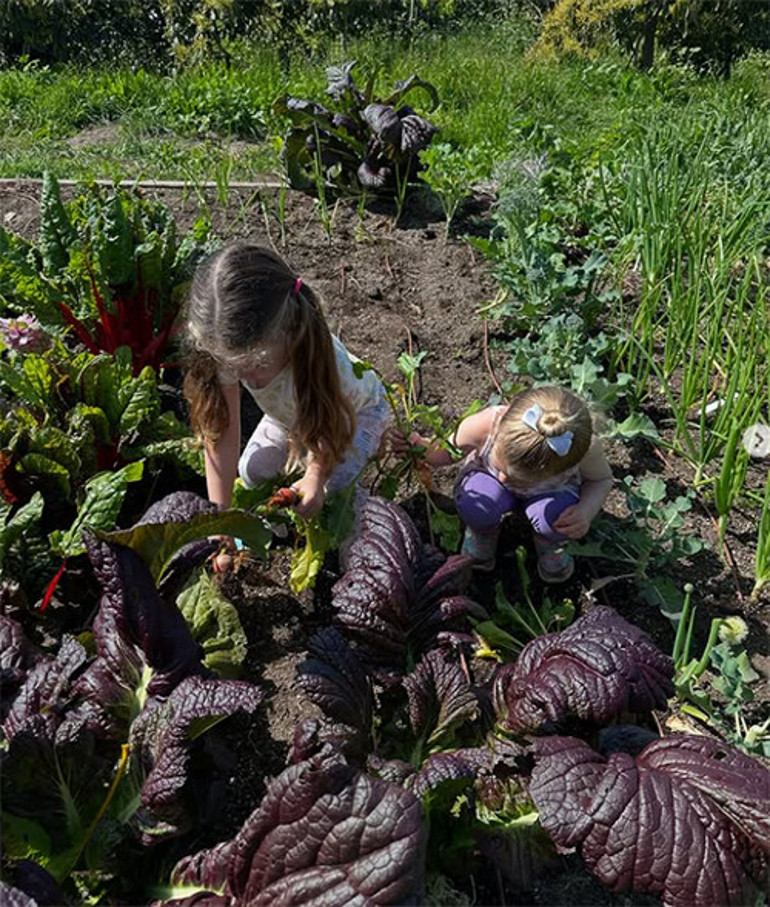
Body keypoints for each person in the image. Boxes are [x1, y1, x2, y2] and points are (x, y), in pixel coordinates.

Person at [183, 242, 388, 530]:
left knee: (334, 491)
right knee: (251, 471)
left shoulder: (322, 359)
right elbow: (222, 431)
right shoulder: (228, 349)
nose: (248, 379)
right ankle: (280, 519)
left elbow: (330, 420)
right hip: (289, 416)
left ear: (288, 333)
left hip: (352, 415)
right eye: (237, 368)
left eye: (256, 365)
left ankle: (359, 520)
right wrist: (221, 520)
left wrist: (316, 475)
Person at [393, 385, 613, 583]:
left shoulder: (581, 450)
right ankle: (483, 532)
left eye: (518, 478)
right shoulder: (487, 424)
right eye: (502, 468)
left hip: (549, 495)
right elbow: (445, 452)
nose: (504, 478)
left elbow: (601, 480)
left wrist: (585, 511)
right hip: (487, 483)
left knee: (559, 519)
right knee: (475, 503)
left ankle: (549, 542)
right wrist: (419, 447)